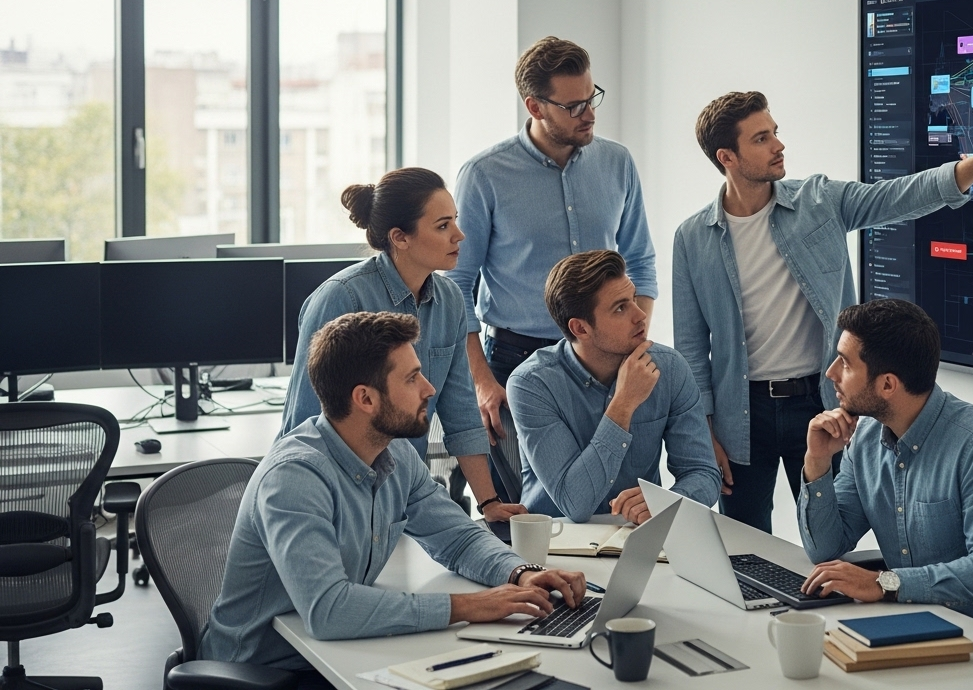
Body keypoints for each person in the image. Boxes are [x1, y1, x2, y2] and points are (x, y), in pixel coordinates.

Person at [673, 90, 973, 532]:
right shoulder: (692, 237)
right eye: (761, 138)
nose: (778, 145)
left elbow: (898, 196)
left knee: (829, 531)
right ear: (727, 156)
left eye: (775, 132)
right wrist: (703, 431)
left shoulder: (819, 201)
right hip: (740, 414)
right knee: (741, 546)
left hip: (821, 402)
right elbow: (692, 346)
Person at [203, 311, 586, 679]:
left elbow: (459, 538)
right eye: (412, 378)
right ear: (366, 399)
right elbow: (330, 610)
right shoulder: (295, 478)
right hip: (265, 669)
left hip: (340, 653)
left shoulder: (394, 452)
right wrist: (471, 606)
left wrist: (520, 573)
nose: (429, 389)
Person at [447, 37, 657, 505]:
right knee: (526, 515)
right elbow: (457, 287)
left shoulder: (617, 163)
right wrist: (482, 381)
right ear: (535, 106)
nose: (590, 113)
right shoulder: (484, 175)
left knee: (616, 505)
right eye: (573, 105)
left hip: (605, 361)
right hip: (514, 362)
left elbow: (640, 260)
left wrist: (634, 338)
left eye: (592, 96)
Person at [280, 167, 523, 521]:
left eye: (454, 221)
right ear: (400, 237)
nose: (459, 235)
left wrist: (488, 504)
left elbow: (459, 413)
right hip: (332, 499)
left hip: (401, 496)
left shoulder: (451, 300)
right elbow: (303, 422)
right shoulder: (341, 298)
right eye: (443, 226)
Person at [796, 299, 973, 617]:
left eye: (845, 363)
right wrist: (816, 461)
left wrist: (886, 583)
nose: (831, 372)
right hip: (913, 619)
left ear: (888, 384)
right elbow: (825, 548)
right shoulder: (865, 439)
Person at [506, 250, 720, 524]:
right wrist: (624, 403)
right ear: (580, 329)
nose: (640, 315)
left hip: (637, 537)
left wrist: (666, 503)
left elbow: (703, 473)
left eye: (633, 299)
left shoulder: (669, 369)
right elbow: (576, 504)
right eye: (620, 308)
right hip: (556, 543)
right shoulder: (531, 385)